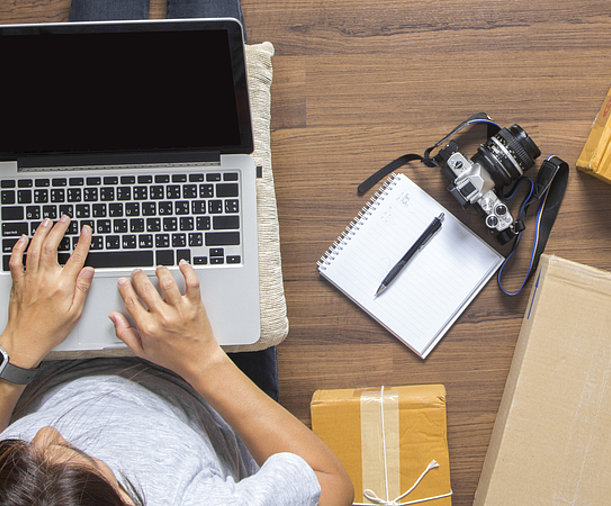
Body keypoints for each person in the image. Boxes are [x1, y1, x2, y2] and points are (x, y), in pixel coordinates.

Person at [0, 4, 354, 505]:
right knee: (204, 36)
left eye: (18, 454)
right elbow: (334, 487)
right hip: (204, 379)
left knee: (88, 49)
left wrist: (17, 354)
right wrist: (202, 359)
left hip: (45, 363)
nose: (42, 435)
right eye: (69, 451)